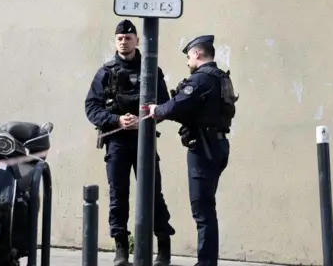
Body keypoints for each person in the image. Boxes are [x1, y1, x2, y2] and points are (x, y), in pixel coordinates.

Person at [85, 19, 175, 266]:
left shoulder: (151, 70)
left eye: (128, 38)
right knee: (118, 196)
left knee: (153, 194)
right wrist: (117, 120)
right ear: (115, 42)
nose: (124, 42)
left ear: (137, 40)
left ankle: (163, 247)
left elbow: (165, 105)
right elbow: (91, 107)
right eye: (120, 39)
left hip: (144, 141)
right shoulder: (106, 71)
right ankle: (121, 249)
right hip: (117, 142)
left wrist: (145, 119)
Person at [146, 35, 238, 266]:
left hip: (203, 149)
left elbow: (177, 105)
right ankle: (207, 260)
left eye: (189, 56)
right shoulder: (219, 78)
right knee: (206, 207)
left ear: (197, 54)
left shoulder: (202, 79)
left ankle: (206, 262)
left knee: (202, 209)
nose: (187, 61)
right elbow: (191, 111)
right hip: (217, 145)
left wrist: (157, 109)